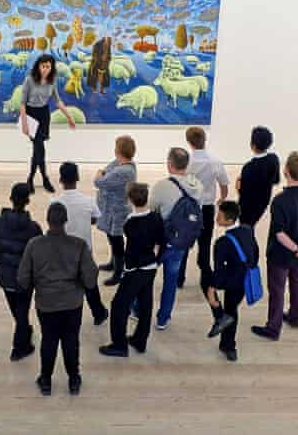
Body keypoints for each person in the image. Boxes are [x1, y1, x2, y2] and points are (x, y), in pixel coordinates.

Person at [18, 203, 99, 397]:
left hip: (46, 304)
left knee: (49, 340)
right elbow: (90, 279)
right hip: (73, 303)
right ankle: (73, 379)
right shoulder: (78, 245)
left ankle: (46, 380)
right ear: (66, 221)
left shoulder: (34, 245)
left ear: (48, 220)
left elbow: (22, 278)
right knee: (71, 340)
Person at [251, 153, 298, 341]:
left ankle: (273, 328)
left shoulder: (280, 201)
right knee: (297, 283)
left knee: (277, 290)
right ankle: (294, 317)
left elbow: (280, 233)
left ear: (286, 171)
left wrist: (296, 249)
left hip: (281, 255)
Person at [99, 183, 165, 357]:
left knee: (119, 305)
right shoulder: (156, 218)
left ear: (130, 200)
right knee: (145, 304)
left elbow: (131, 249)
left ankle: (119, 345)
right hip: (151, 267)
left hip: (135, 270)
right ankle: (140, 340)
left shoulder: (130, 223)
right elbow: (161, 242)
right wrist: (156, 260)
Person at [0, 183, 43, 361]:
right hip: (25, 279)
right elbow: (38, 255)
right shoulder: (33, 228)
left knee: (17, 311)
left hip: (5, 276)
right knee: (22, 311)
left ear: (11, 198)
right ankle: (19, 347)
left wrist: (0, 266)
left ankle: (24, 330)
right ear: (27, 201)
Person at [149, 147, 203, 331]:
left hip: (161, 240)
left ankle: (137, 309)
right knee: (171, 281)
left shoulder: (162, 186)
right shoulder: (197, 185)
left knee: (146, 276)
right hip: (182, 242)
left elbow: (152, 210)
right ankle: (163, 318)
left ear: (170, 164)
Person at [52, 162, 109, 326]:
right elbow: (95, 218)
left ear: (61, 179)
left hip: (62, 251)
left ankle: (63, 314)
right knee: (90, 284)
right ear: (77, 178)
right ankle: (98, 313)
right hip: (84, 251)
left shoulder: (56, 202)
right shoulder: (88, 201)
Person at [204, 201, 259, 362]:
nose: (216, 218)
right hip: (244, 279)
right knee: (232, 309)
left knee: (208, 286)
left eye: (219, 216)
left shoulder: (222, 243)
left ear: (228, 220)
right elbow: (255, 252)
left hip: (231, 281)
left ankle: (220, 318)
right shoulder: (247, 230)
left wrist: (211, 289)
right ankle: (228, 346)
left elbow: (219, 271)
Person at [19, 54, 76, 194]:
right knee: (40, 149)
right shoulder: (29, 80)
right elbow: (22, 103)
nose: (45, 69)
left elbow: (57, 101)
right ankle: (43, 178)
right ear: (38, 66)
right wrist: (24, 123)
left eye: (48, 66)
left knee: (37, 150)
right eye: (43, 66)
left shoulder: (52, 81)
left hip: (44, 115)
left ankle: (31, 179)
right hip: (32, 115)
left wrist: (69, 117)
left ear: (51, 68)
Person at [185, 126, 230, 290]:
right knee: (204, 243)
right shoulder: (215, 161)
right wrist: (222, 199)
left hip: (189, 207)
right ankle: (206, 276)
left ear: (189, 142)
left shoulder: (186, 161)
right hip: (207, 208)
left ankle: (179, 278)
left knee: (184, 242)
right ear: (205, 140)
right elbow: (224, 183)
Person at [95, 135, 138, 286]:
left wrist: (99, 175)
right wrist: (103, 173)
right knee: (111, 237)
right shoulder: (119, 165)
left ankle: (118, 272)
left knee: (117, 241)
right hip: (111, 210)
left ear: (119, 151)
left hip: (117, 212)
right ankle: (113, 263)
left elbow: (100, 181)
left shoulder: (123, 171)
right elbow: (107, 170)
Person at [236, 126, 280, 230]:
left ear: (252, 145)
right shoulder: (274, 159)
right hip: (263, 202)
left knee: (246, 229)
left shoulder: (248, 168)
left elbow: (243, 193)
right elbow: (276, 180)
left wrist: (238, 186)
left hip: (248, 207)